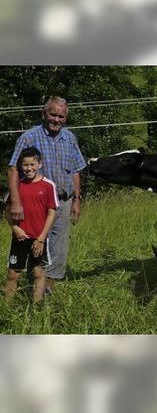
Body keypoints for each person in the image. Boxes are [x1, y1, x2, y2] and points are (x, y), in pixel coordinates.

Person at [7, 97, 86, 293]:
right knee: (32, 242)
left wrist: (77, 200)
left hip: (63, 200)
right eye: (53, 115)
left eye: (61, 116)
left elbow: (76, 170)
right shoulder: (29, 137)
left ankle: (46, 291)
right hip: (36, 203)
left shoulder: (70, 138)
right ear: (44, 114)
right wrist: (16, 202)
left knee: (59, 246)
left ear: (65, 118)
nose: (57, 120)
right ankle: (27, 283)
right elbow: (12, 169)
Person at [5, 147, 58, 302]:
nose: (29, 168)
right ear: (21, 166)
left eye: (32, 164)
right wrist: (15, 228)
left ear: (40, 164)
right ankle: (7, 308)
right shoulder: (17, 185)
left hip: (38, 239)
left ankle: (37, 306)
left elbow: (52, 212)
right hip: (20, 236)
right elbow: (7, 211)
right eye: (25, 165)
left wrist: (41, 238)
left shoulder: (48, 185)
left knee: (38, 272)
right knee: (13, 274)